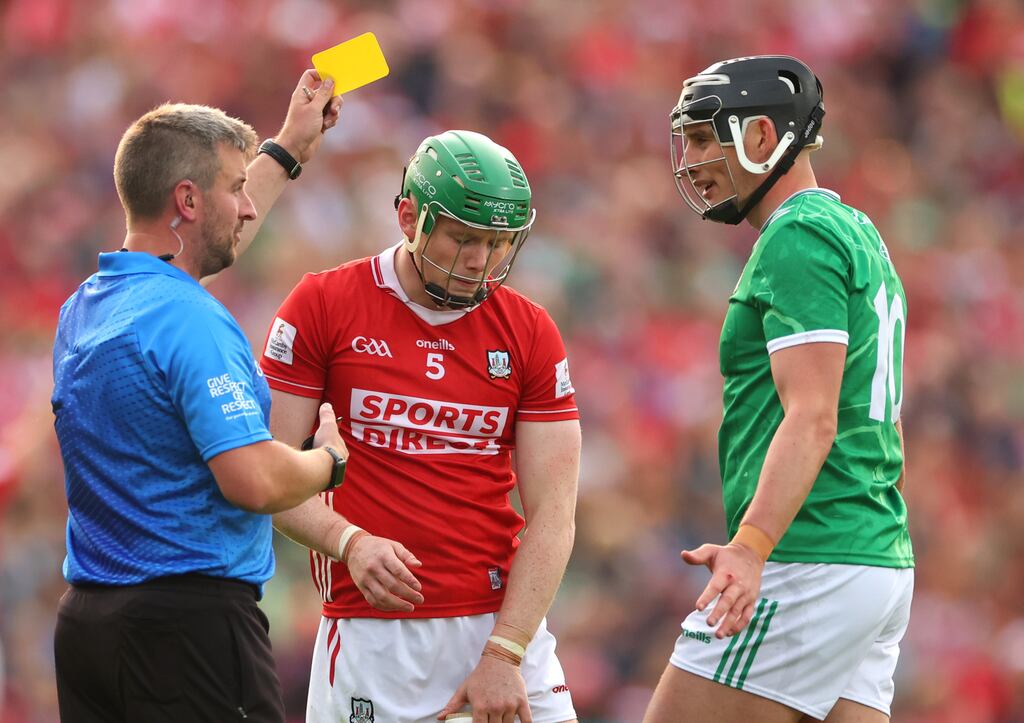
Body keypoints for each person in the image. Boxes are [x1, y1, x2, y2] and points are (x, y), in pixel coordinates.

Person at [51, 71, 421, 723]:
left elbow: (201, 256)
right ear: (188, 200)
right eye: (236, 187)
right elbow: (251, 479)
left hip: (89, 626)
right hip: (188, 630)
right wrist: (328, 459)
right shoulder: (190, 320)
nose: (248, 207)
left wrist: (288, 149)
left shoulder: (86, 307)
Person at [260, 130, 581, 723]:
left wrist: (505, 652)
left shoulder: (530, 331)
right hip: (372, 632)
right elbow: (266, 477)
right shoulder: (323, 305)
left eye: (498, 242)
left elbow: (556, 512)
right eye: (463, 239)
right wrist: (347, 543)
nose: (481, 261)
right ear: (409, 217)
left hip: (503, 627)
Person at [643, 56, 914, 723]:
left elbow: (815, 415)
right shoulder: (857, 231)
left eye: (706, 136)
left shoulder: (799, 234)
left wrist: (751, 544)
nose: (692, 157)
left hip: (809, 555)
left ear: (763, 137)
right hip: (872, 554)